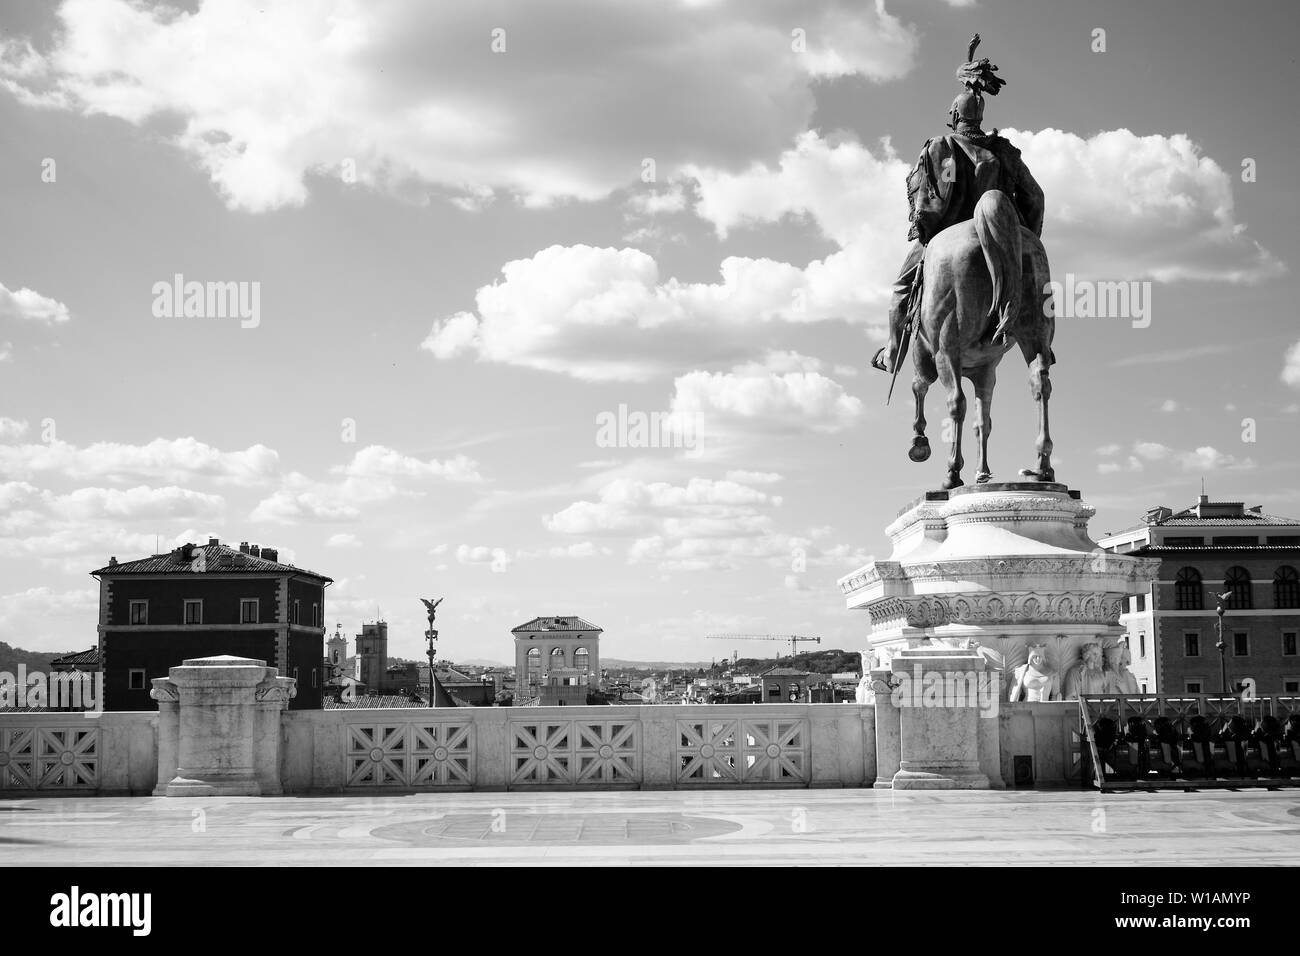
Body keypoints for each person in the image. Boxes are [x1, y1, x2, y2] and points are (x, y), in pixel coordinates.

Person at [872, 35, 1045, 374]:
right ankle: (1039, 341)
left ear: (954, 115)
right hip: (1007, 234)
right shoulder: (1004, 151)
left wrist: (923, 231)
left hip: (945, 234)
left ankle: (893, 353)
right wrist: (1023, 237)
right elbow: (1035, 197)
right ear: (980, 117)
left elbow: (926, 199)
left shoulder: (940, 146)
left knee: (900, 288)